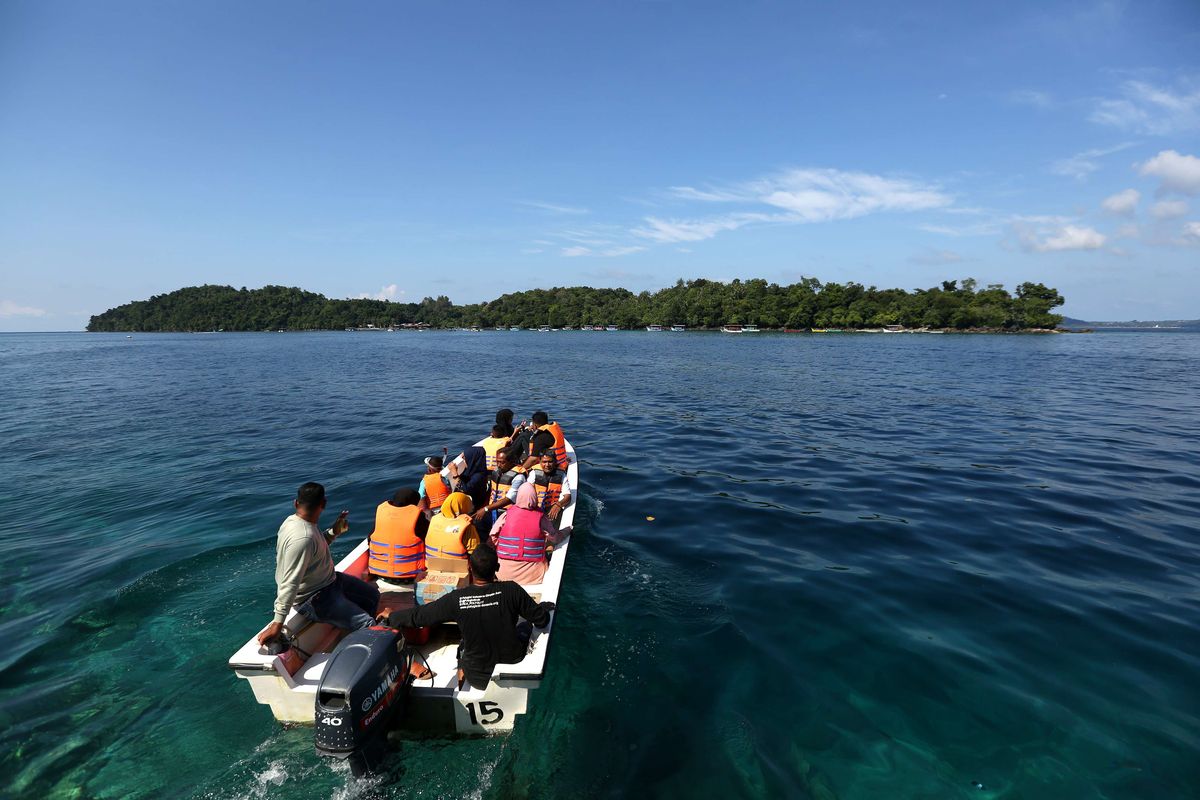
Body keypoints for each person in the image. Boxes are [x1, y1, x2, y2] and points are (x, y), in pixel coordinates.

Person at [379, 543, 554, 690]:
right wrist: (542, 608)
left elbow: (420, 616)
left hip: (477, 677)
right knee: (524, 626)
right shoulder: (512, 590)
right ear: (497, 568)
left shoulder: (456, 599)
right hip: (511, 667)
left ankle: (461, 678)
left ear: (470, 567)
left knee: (464, 643)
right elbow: (542, 620)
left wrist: (392, 616)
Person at [258, 482, 380, 646]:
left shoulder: (295, 522)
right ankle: (362, 647)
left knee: (372, 596)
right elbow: (290, 582)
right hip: (313, 597)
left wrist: (333, 532)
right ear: (323, 504)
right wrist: (277, 624)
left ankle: (356, 635)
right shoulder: (304, 537)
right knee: (367, 623)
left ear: (296, 503)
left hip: (330, 581)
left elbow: (314, 550)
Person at [490, 483, 564, 585]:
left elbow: (492, 536)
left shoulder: (506, 515)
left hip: (503, 574)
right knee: (549, 549)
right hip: (533, 576)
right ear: (534, 497)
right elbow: (555, 538)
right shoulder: (541, 518)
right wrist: (566, 531)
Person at [368, 488, 429, 582]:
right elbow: (429, 539)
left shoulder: (382, 513)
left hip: (380, 576)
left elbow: (369, 539)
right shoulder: (418, 517)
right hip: (410, 577)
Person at [475, 448, 527, 526]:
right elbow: (491, 491)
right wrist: (484, 506)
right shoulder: (497, 472)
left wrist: (486, 509)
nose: (499, 465)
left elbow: (509, 499)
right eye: (497, 462)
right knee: (476, 523)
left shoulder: (519, 477)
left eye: (502, 462)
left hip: (508, 512)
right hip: (492, 509)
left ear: (511, 462)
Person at [425, 491, 480, 560]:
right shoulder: (468, 527)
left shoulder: (434, 519)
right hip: (457, 565)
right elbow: (475, 552)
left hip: (431, 564)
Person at [527, 450, 574, 525]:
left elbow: (567, 496)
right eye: (544, 462)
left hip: (551, 507)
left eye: (550, 462)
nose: (547, 465)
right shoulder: (534, 473)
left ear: (555, 462)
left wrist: (558, 505)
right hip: (535, 506)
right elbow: (527, 492)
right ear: (540, 462)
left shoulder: (561, 474)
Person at [447, 446, 490, 513]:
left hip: (473, 508)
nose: (464, 461)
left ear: (472, 459)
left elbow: (463, 490)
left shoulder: (479, 476)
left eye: (465, 458)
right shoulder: (470, 470)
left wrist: (455, 473)